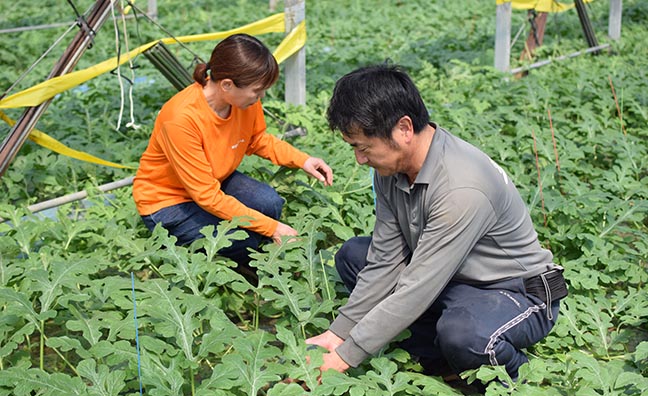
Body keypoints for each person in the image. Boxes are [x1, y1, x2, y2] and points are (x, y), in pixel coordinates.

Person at [306, 64, 567, 385]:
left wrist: (347, 355)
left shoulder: (462, 187)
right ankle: (441, 362)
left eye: (363, 147)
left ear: (403, 129)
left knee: (465, 334)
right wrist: (337, 334)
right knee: (354, 256)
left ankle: (516, 383)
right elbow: (386, 258)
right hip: (453, 281)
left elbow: (419, 285)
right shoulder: (391, 168)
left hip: (514, 292)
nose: (360, 159)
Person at [133, 33, 333, 270]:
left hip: (212, 182)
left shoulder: (243, 102)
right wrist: (272, 228)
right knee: (242, 239)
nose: (260, 97)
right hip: (168, 202)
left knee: (269, 204)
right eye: (257, 91)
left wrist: (303, 160)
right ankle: (248, 273)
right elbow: (206, 196)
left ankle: (249, 258)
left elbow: (257, 140)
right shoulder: (181, 119)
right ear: (227, 84)